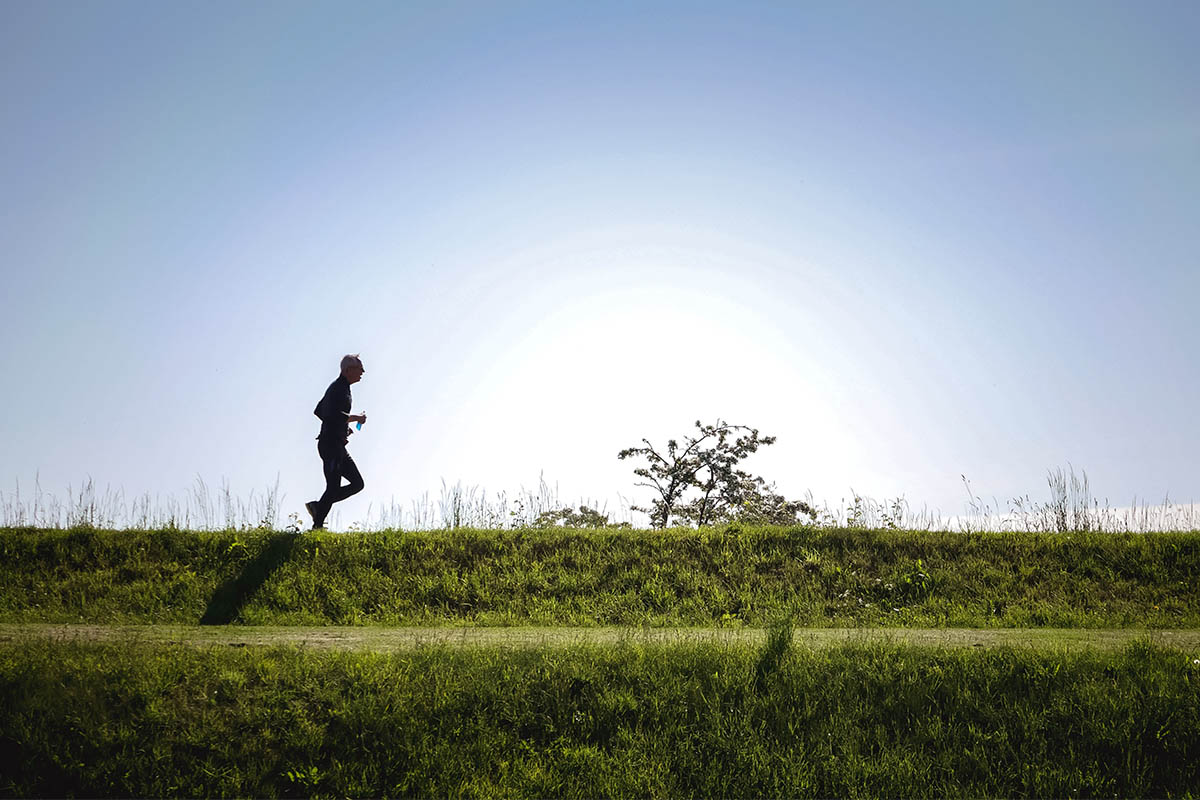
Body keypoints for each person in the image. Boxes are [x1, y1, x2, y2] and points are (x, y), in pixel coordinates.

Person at [306, 354, 367, 530]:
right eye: (360, 368)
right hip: (330, 445)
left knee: (357, 483)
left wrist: (341, 428)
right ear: (348, 370)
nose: (363, 372)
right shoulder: (338, 388)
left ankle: (318, 507)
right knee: (333, 487)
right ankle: (317, 525)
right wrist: (355, 419)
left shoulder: (343, 387)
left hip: (336, 444)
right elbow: (328, 413)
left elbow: (321, 411)